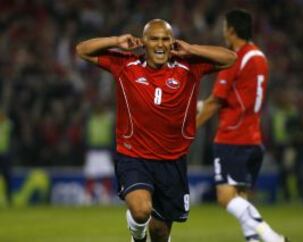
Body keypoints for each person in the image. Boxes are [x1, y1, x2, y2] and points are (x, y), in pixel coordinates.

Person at [76, 19, 236, 242]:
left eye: (165, 39)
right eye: (154, 39)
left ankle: (144, 232)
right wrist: (116, 41)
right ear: (144, 42)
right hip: (134, 156)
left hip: (172, 160)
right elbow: (82, 50)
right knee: (141, 210)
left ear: (172, 42)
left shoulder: (190, 66)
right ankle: (137, 235)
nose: (160, 44)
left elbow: (230, 58)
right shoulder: (126, 64)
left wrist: (191, 48)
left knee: (160, 232)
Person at [196, 9, 288, 242]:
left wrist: (188, 129)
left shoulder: (234, 59)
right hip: (253, 137)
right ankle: (254, 239)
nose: (223, 31)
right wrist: (197, 105)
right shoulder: (259, 56)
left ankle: (270, 236)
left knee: (226, 197)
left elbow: (216, 101)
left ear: (232, 30)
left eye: (224, 27)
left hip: (232, 138)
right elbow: (234, 98)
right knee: (241, 196)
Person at [0, 108, 13, 206]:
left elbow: (10, 123)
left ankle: (8, 198)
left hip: (4, 154)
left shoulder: (6, 124)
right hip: (4, 155)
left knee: (6, 177)